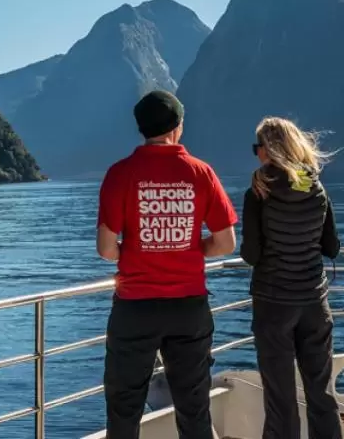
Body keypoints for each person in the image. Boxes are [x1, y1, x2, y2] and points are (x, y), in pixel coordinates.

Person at [96, 90, 238, 439]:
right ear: (178, 127)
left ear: (142, 128)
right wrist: (186, 248)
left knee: (124, 408)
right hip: (188, 307)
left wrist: (136, 250)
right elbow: (226, 243)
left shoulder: (120, 174)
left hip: (134, 308)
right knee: (194, 409)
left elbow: (105, 249)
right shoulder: (200, 172)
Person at [240, 116, 342, 439]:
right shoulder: (316, 187)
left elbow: (251, 254)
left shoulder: (258, 191)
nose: (257, 154)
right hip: (314, 302)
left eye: (258, 148)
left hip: (273, 303)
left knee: (281, 399)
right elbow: (332, 247)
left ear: (268, 150)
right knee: (321, 394)